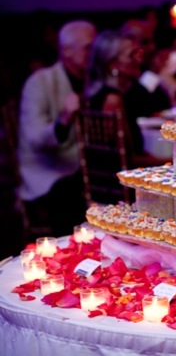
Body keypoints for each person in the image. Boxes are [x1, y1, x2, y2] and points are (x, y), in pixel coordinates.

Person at [18, 20, 96, 236]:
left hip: (81, 165)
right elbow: (34, 139)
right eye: (89, 47)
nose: (93, 53)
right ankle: (74, 251)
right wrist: (63, 118)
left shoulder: (92, 81)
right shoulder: (40, 82)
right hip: (48, 171)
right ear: (66, 50)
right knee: (69, 194)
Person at [85, 30, 166, 166]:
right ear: (112, 64)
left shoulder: (109, 94)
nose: (139, 60)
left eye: (138, 53)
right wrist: (172, 162)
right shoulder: (112, 100)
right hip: (117, 183)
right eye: (132, 55)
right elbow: (123, 161)